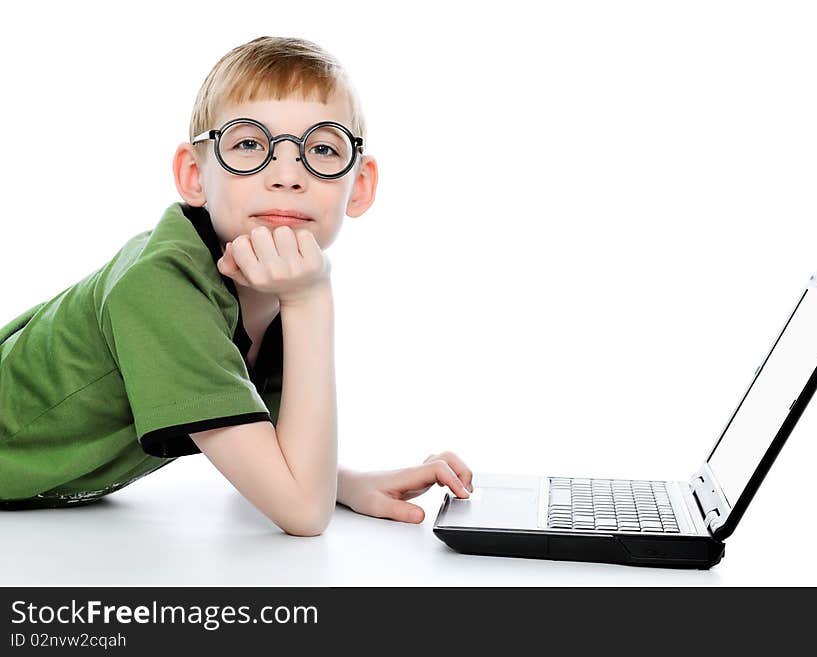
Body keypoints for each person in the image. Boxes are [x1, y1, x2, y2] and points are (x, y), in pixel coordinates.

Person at [0, 36, 473, 535]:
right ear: (194, 175)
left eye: (323, 148)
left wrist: (347, 484)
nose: (287, 175)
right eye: (249, 144)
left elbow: (270, 461)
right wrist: (310, 299)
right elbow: (301, 513)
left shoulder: (266, 292)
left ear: (360, 184)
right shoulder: (161, 288)